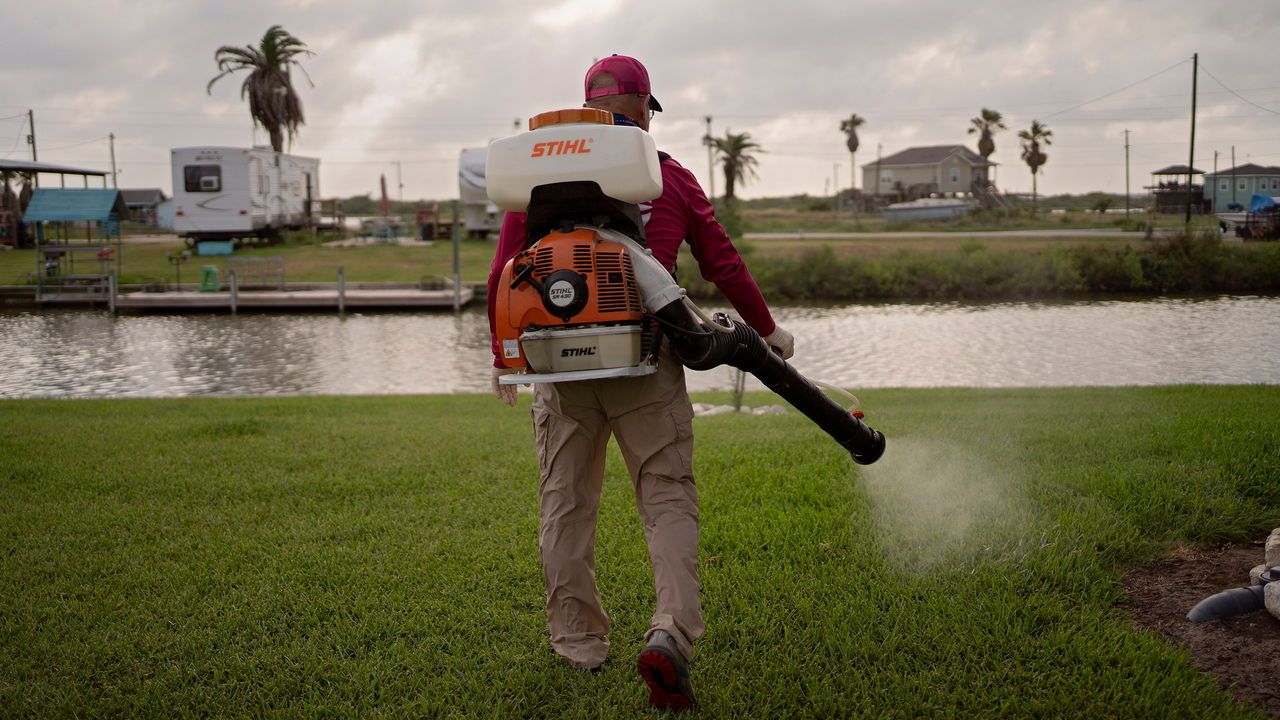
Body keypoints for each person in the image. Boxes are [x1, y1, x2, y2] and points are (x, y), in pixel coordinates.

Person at [485, 54, 793, 711]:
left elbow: (505, 268)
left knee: (566, 501)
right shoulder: (668, 176)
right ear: (644, 112)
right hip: (646, 360)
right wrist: (766, 330)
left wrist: (500, 355)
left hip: (560, 368)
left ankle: (579, 645)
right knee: (665, 495)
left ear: (588, 110)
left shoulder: (542, 178)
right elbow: (722, 260)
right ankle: (671, 634)